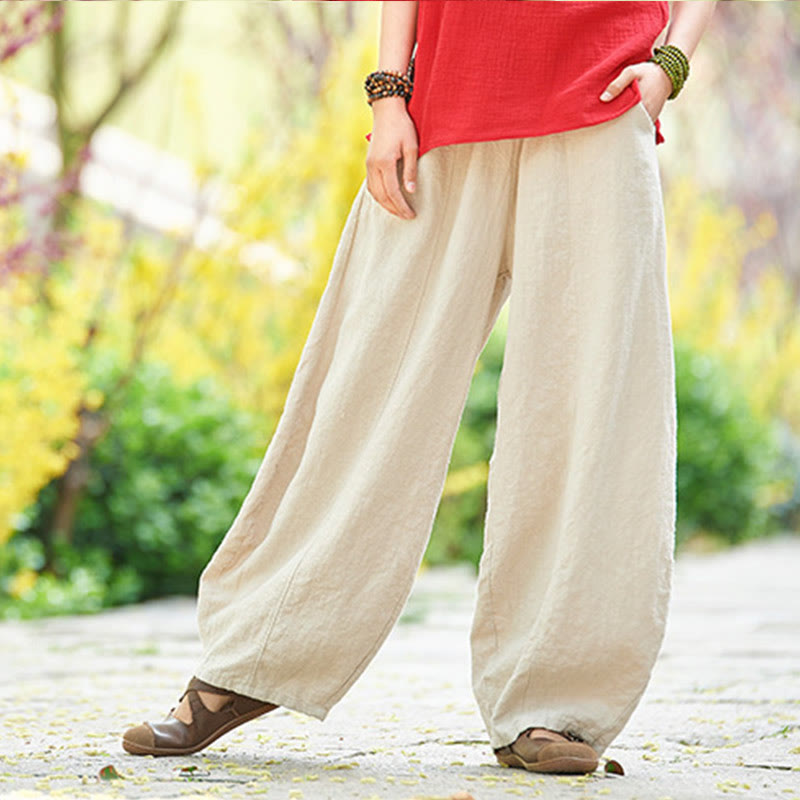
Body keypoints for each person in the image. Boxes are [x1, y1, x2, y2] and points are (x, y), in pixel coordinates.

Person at [122, 0, 717, 775]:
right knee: (367, 387)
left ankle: (553, 702)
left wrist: (669, 67)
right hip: (446, 102)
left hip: (600, 103)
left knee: (589, 405)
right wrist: (389, 96)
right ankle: (253, 660)